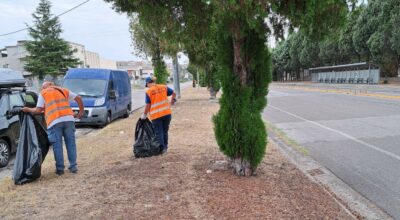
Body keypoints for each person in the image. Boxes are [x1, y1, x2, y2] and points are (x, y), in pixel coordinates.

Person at [22, 82, 84, 175]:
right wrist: (81, 112)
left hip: (54, 122)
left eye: (42, 87)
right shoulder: (63, 90)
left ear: (44, 87)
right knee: (71, 144)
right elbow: (78, 98)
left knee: (57, 146)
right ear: (52, 85)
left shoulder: (44, 93)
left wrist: (28, 109)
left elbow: (38, 110)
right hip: (69, 120)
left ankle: (60, 169)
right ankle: (73, 167)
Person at [142, 77, 176, 154]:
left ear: (148, 83)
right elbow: (174, 93)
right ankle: (165, 148)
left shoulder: (149, 91)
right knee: (164, 131)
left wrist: (144, 115)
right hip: (167, 114)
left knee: (159, 132)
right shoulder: (163, 87)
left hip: (156, 116)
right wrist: (172, 101)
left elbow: (148, 105)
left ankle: (162, 149)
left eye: (147, 85)